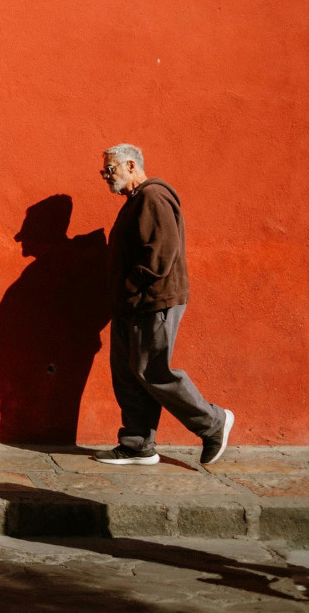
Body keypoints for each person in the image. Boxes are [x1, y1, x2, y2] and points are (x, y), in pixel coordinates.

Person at [93, 143, 234, 466]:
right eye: (104, 171)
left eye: (110, 169)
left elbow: (159, 253)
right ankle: (137, 444)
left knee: (153, 370)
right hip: (132, 303)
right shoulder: (135, 200)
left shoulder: (153, 196)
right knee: (128, 374)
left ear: (131, 165)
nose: (106, 176)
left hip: (152, 300)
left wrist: (129, 287)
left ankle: (213, 423)